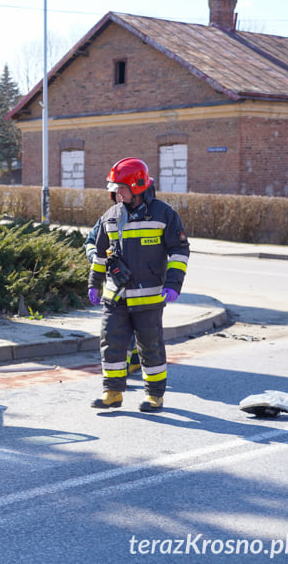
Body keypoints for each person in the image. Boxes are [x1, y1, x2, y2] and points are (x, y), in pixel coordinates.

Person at [87, 157, 190, 413]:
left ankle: (155, 396)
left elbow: (179, 250)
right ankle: (112, 392)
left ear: (137, 186)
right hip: (116, 297)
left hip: (149, 298)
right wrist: (94, 283)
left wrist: (174, 284)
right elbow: (100, 254)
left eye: (121, 188)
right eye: (115, 188)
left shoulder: (164, 214)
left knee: (150, 347)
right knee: (111, 342)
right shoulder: (110, 216)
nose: (116, 193)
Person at [85, 222, 140, 375]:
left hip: (141, 287)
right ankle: (122, 369)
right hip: (116, 285)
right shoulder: (109, 217)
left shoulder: (150, 215)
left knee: (140, 328)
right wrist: (97, 259)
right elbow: (91, 242)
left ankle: (134, 362)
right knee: (121, 330)